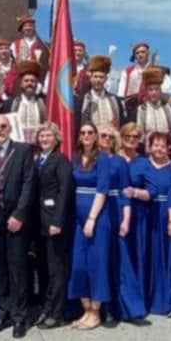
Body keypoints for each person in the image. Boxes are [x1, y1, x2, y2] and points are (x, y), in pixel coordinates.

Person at [0, 114, 36, 338]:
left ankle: (21, 317)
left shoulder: (22, 150)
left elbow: (29, 183)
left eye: (3, 126)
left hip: (15, 219)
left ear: (10, 128)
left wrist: (19, 214)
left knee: (18, 268)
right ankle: (3, 313)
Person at [66, 125, 113, 330]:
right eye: (82, 132)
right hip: (77, 220)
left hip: (97, 218)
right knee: (79, 265)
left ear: (96, 137)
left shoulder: (102, 159)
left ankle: (95, 312)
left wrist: (92, 219)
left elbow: (102, 189)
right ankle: (85, 310)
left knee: (97, 264)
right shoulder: (75, 158)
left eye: (90, 133)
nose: (86, 136)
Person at [100, 125, 146, 326]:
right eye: (103, 135)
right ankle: (98, 307)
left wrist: (126, 220)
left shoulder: (119, 162)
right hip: (93, 212)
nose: (107, 139)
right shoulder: (88, 160)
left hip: (115, 211)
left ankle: (124, 308)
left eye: (111, 136)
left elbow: (125, 192)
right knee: (98, 262)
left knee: (119, 261)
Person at [136, 131, 171, 316]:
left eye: (163, 145)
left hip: (168, 213)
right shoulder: (143, 165)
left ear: (169, 148)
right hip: (148, 214)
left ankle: (167, 301)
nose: (159, 149)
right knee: (149, 255)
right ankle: (146, 299)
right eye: (156, 144)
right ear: (150, 146)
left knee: (166, 256)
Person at [32, 123, 74, 329]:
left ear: (56, 138)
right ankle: (46, 307)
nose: (44, 139)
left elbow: (65, 192)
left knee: (57, 268)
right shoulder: (37, 159)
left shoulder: (60, 160)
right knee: (44, 268)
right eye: (41, 136)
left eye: (48, 135)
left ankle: (57, 312)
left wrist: (58, 221)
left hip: (54, 222)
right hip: (39, 222)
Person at [126, 68, 171, 146]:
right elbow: (140, 134)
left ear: (160, 90)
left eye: (156, 89)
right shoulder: (142, 109)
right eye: (150, 90)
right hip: (148, 147)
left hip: (165, 147)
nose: (154, 92)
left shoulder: (167, 108)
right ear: (146, 91)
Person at [75, 55, 123, 132]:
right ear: (90, 78)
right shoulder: (82, 100)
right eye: (95, 77)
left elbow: (121, 124)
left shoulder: (115, 100)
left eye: (101, 77)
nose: (98, 80)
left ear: (106, 79)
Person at [7, 63, 46, 144]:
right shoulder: (10, 103)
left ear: (36, 84)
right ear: (21, 84)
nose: (29, 84)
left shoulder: (44, 103)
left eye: (32, 81)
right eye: (26, 81)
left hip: (37, 145)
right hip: (17, 146)